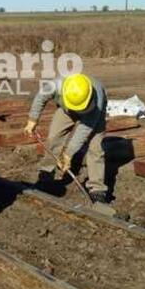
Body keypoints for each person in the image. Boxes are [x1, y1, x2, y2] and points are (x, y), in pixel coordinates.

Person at [24, 73, 109, 205]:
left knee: (95, 147)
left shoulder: (96, 99)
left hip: (92, 113)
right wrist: (32, 120)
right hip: (67, 109)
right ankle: (46, 174)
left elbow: (84, 130)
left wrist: (68, 154)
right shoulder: (55, 85)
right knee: (54, 137)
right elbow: (40, 98)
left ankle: (97, 189)